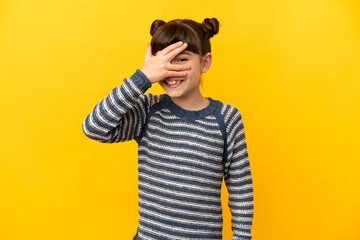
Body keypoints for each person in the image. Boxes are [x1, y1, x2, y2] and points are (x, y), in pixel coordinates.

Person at [82, 17, 254, 240]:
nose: (171, 71)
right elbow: (94, 127)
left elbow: (241, 191)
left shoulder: (227, 119)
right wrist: (142, 78)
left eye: (181, 59)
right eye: (164, 62)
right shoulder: (148, 111)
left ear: (205, 62)